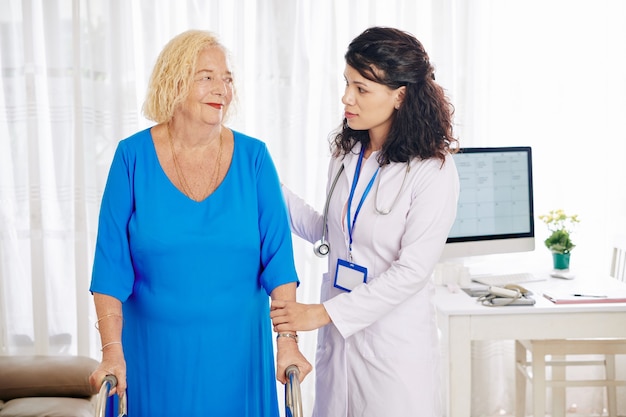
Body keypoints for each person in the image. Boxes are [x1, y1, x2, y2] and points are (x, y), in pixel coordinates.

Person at [88, 29, 311, 416]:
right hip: (154, 359)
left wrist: (287, 341)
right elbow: (109, 267)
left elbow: (279, 263)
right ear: (174, 82)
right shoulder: (132, 157)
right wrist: (112, 353)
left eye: (227, 78)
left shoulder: (254, 158)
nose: (221, 88)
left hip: (240, 359)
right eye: (206, 76)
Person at [270, 26, 460, 416]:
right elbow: (331, 231)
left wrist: (320, 313)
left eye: (361, 88)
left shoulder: (432, 170)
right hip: (340, 345)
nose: (346, 98)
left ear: (400, 95)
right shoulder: (346, 153)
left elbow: (412, 271)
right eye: (346, 84)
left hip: (393, 349)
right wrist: (264, 184)